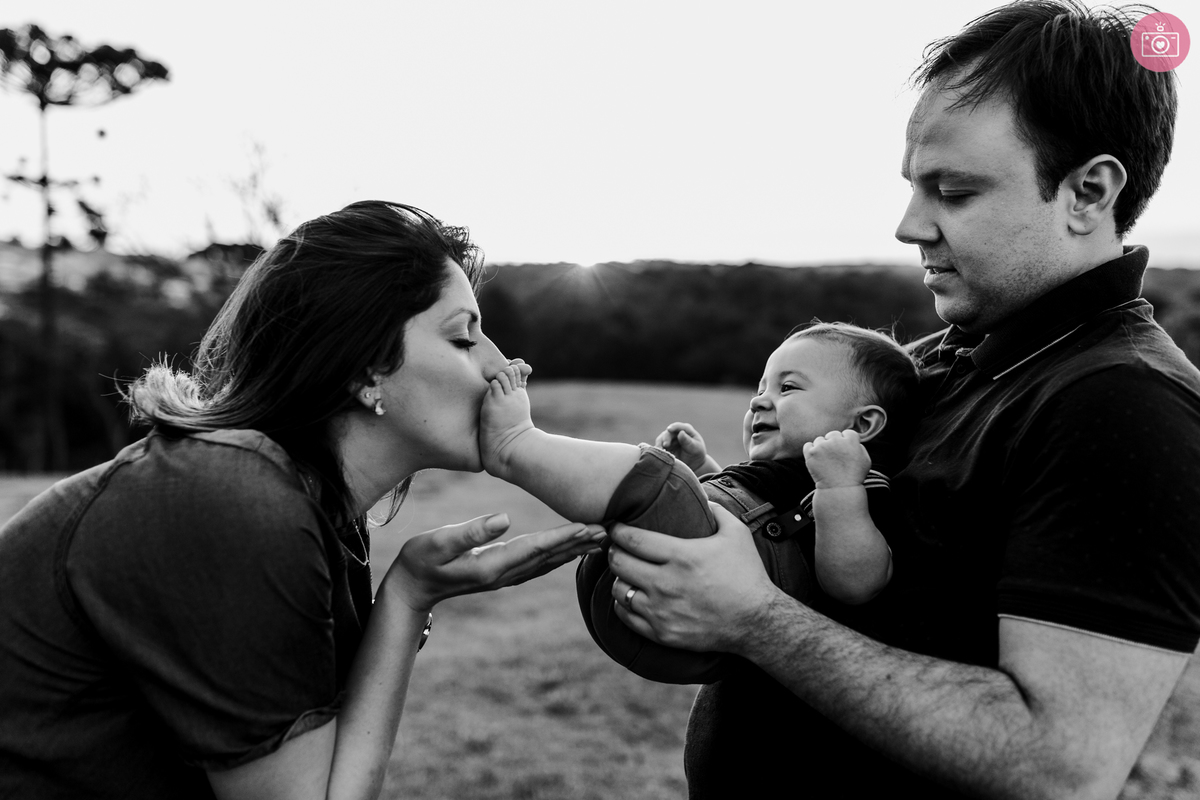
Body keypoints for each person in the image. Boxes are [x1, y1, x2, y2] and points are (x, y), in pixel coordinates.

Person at [601, 2, 1200, 798]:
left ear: (1088, 192)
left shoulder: (1126, 405)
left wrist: (752, 620)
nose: (908, 225)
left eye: (952, 191)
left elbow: (1058, 763)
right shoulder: (927, 362)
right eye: (915, 185)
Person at [0, 201, 605, 800]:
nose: (505, 366)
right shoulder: (233, 500)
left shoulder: (316, 507)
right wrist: (406, 600)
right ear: (367, 369)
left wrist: (407, 593)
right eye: (462, 337)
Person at [480, 323, 918, 683]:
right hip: (628, 594)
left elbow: (857, 584)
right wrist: (704, 471)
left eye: (788, 388)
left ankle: (515, 446)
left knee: (655, 476)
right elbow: (743, 521)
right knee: (673, 480)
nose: (759, 399)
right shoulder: (785, 473)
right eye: (761, 386)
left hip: (705, 627)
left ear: (862, 424)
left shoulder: (858, 484)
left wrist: (839, 489)